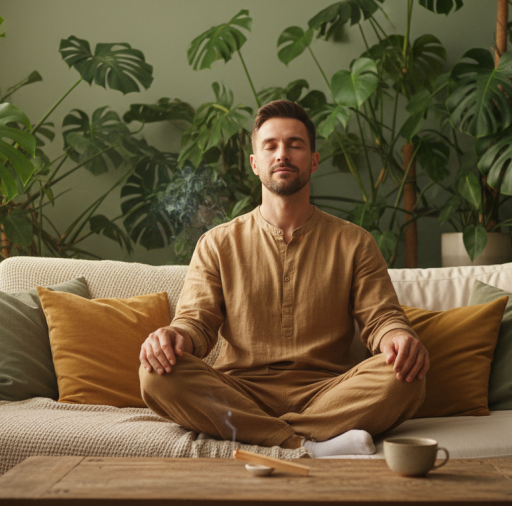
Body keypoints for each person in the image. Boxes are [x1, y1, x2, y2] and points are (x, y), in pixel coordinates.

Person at [138, 100, 429, 457]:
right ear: (255, 163)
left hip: (328, 392)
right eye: (270, 146)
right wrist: (173, 336)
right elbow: (196, 323)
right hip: (239, 391)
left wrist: (397, 337)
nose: (282, 154)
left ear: (314, 160)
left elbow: (380, 318)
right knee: (156, 376)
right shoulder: (217, 243)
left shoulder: (355, 242)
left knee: (405, 379)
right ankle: (308, 444)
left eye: (295, 144)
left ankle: (260, 435)